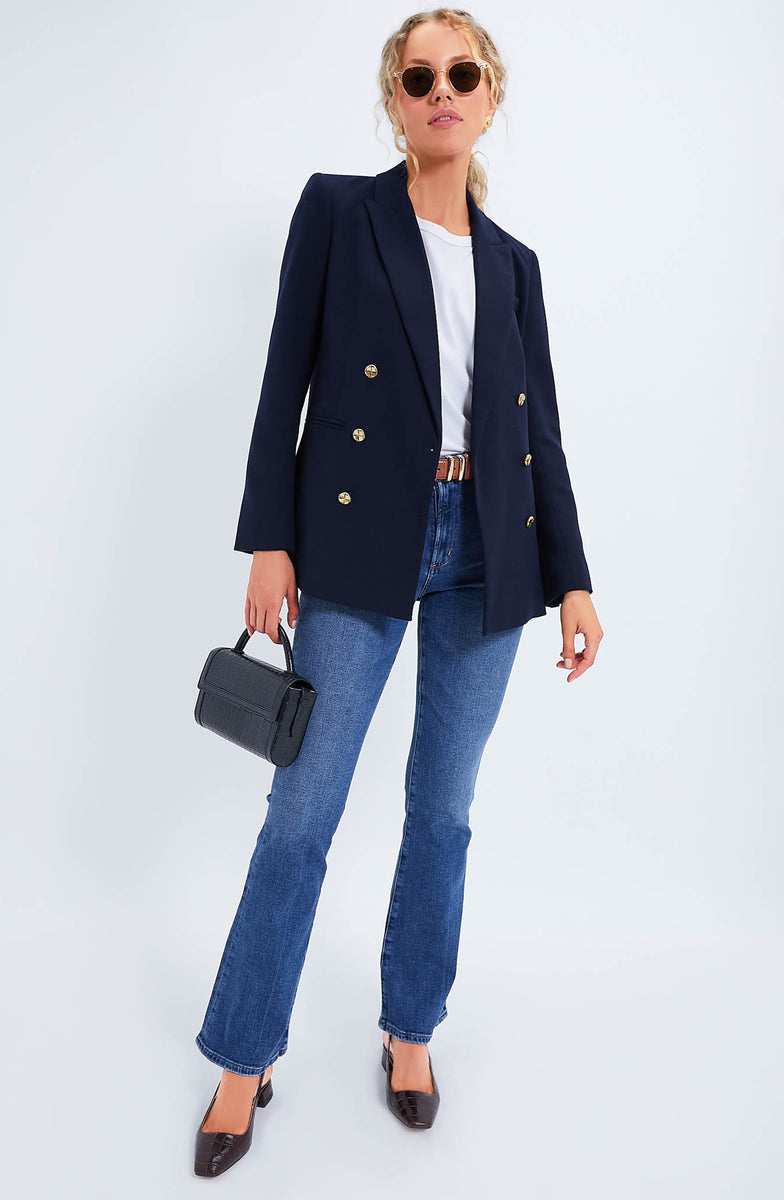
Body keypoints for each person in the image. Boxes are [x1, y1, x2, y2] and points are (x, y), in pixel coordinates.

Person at [193, 7, 603, 1176]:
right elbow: (284, 378)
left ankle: (409, 1029)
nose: (440, 92)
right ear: (393, 98)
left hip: (486, 548)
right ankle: (243, 1054)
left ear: (489, 94)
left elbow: (537, 436)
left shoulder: (513, 265)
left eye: (460, 73)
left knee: (442, 813)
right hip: (355, 539)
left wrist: (572, 578)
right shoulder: (338, 212)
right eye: (418, 77)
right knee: (302, 814)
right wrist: (268, 541)